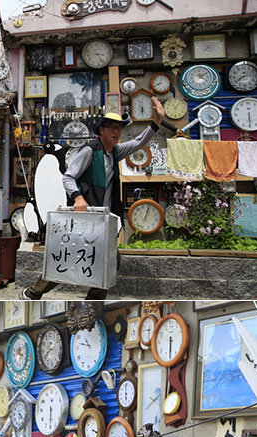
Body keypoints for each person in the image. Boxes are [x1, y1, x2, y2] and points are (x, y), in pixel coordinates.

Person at [21, 96, 165, 300]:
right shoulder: (89, 150)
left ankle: (93, 302)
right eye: (112, 127)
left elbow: (138, 142)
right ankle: (33, 293)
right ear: (101, 130)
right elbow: (68, 177)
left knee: (110, 262)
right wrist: (78, 197)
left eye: (119, 128)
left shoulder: (115, 151)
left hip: (102, 219)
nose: (116, 132)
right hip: (85, 217)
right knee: (67, 259)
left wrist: (156, 122)